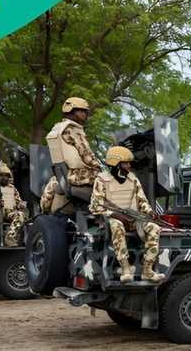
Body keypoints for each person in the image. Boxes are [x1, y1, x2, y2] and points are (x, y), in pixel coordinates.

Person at [90, 146, 163, 283]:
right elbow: (95, 206)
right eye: (126, 163)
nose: (129, 166)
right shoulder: (101, 180)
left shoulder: (133, 179)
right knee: (117, 226)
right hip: (113, 218)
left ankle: (147, 270)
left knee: (154, 228)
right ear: (116, 164)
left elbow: (142, 201)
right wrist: (115, 215)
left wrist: (149, 212)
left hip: (134, 217)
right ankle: (125, 268)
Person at [40, 97, 103, 213]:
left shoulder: (57, 129)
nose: (85, 114)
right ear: (72, 112)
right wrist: (100, 167)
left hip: (66, 175)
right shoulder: (73, 130)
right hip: (81, 176)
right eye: (82, 111)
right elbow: (87, 156)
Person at [0, 164, 27, 247]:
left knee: (21, 215)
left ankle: (10, 237)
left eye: (6, 176)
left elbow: (18, 202)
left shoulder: (12, 188)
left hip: (9, 213)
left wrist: (21, 205)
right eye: (2, 175)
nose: (4, 178)